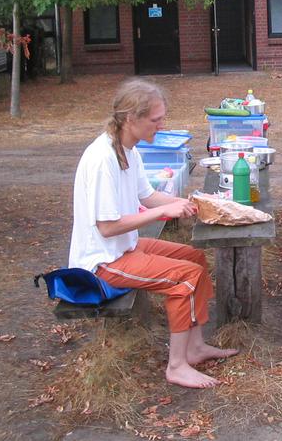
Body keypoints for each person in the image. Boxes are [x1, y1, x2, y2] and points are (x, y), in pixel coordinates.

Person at [68, 78, 237, 388]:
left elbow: (147, 197)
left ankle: (196, 348)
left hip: (125, 248)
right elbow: (107, 227)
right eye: (156, 120)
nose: (161, 125)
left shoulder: (129, 151)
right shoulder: (102, 158)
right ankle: (176, 366)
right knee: (184, 278)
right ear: (131, 118)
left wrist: (195, 201)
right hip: (103, 261)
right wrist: (163, 212)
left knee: (195, 259)